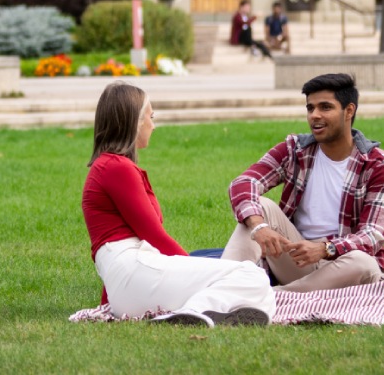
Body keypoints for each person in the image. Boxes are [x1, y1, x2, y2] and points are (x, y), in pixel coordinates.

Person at [81, 81, 275, 327]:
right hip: (135, 273)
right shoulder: (116, 168)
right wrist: (190, 264)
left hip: (129, 284)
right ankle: (194, 311)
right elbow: (154, 236)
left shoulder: (108, 167)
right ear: (135, 123)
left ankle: (204, 310)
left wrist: (109, 305)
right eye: (151, 116)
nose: (154, 124)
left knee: (261, 291)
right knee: (251, 274)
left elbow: (108, 252)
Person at [222, 73, 384, 292]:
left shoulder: (377, 163)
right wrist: (259, 226)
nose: (314, 115)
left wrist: (326, 248)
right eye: (310, 108)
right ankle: (224, 288)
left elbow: (373, 235)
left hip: (342, 264)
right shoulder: (295, 149)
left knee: (365, 264)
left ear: (349, 111)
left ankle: (272, 295)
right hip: (296, 258)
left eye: (325, 107)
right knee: (261, 208)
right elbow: (243, 182)